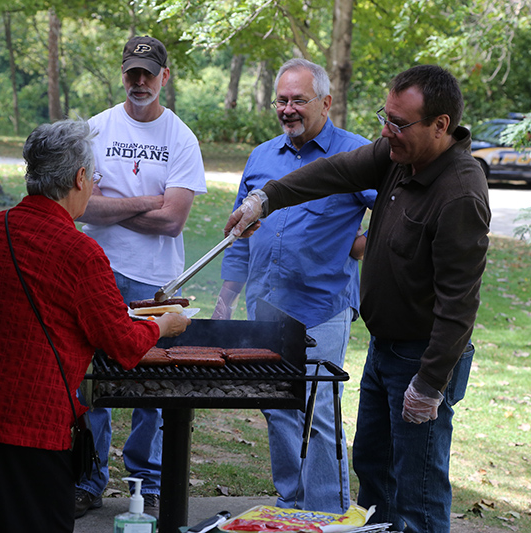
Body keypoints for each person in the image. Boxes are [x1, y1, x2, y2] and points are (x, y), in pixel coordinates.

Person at [224, 65, 490, 533]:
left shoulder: (459, 192)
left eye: (400, 123)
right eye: (385, 118)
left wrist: (429, 385)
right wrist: (265, 198)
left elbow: (459, 303)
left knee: (418, 490)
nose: (388, 132)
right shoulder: (397, 155)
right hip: (384, 348)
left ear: (441, 125)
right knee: (374, 473)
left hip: (421, 357)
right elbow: (332, 171)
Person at [0, 120, 191, 533]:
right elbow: (122, 343)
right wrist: (164, 326)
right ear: (80, 178)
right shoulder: (81, 251)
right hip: (27, 419)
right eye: (95, 177)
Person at [212, 58, 376, 514]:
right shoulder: (262, 156)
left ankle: (326, 514)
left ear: (326, 102)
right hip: (265, 306)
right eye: (282, 100)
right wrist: (227, 296)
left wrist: (360, 243)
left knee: (318, 412)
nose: (288, 109)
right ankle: (291, 504)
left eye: (298, 100)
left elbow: (395, 212)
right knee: (277, 406)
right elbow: (238, 234)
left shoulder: (356, 153)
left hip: (323, 306)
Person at [74, 35, 207, 518]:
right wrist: (148, 201)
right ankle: (88, 479)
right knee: (93, 382)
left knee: (152, 388)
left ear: (164, 78)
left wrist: (107, 208)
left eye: (149, 73)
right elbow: (78, 206)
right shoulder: (94, 130)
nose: (140, 81)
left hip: (158, 282)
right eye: (133, 72)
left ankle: (146, 482)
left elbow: (174, 221)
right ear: (123, 73)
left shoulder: (181, 138)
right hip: (99, 271)